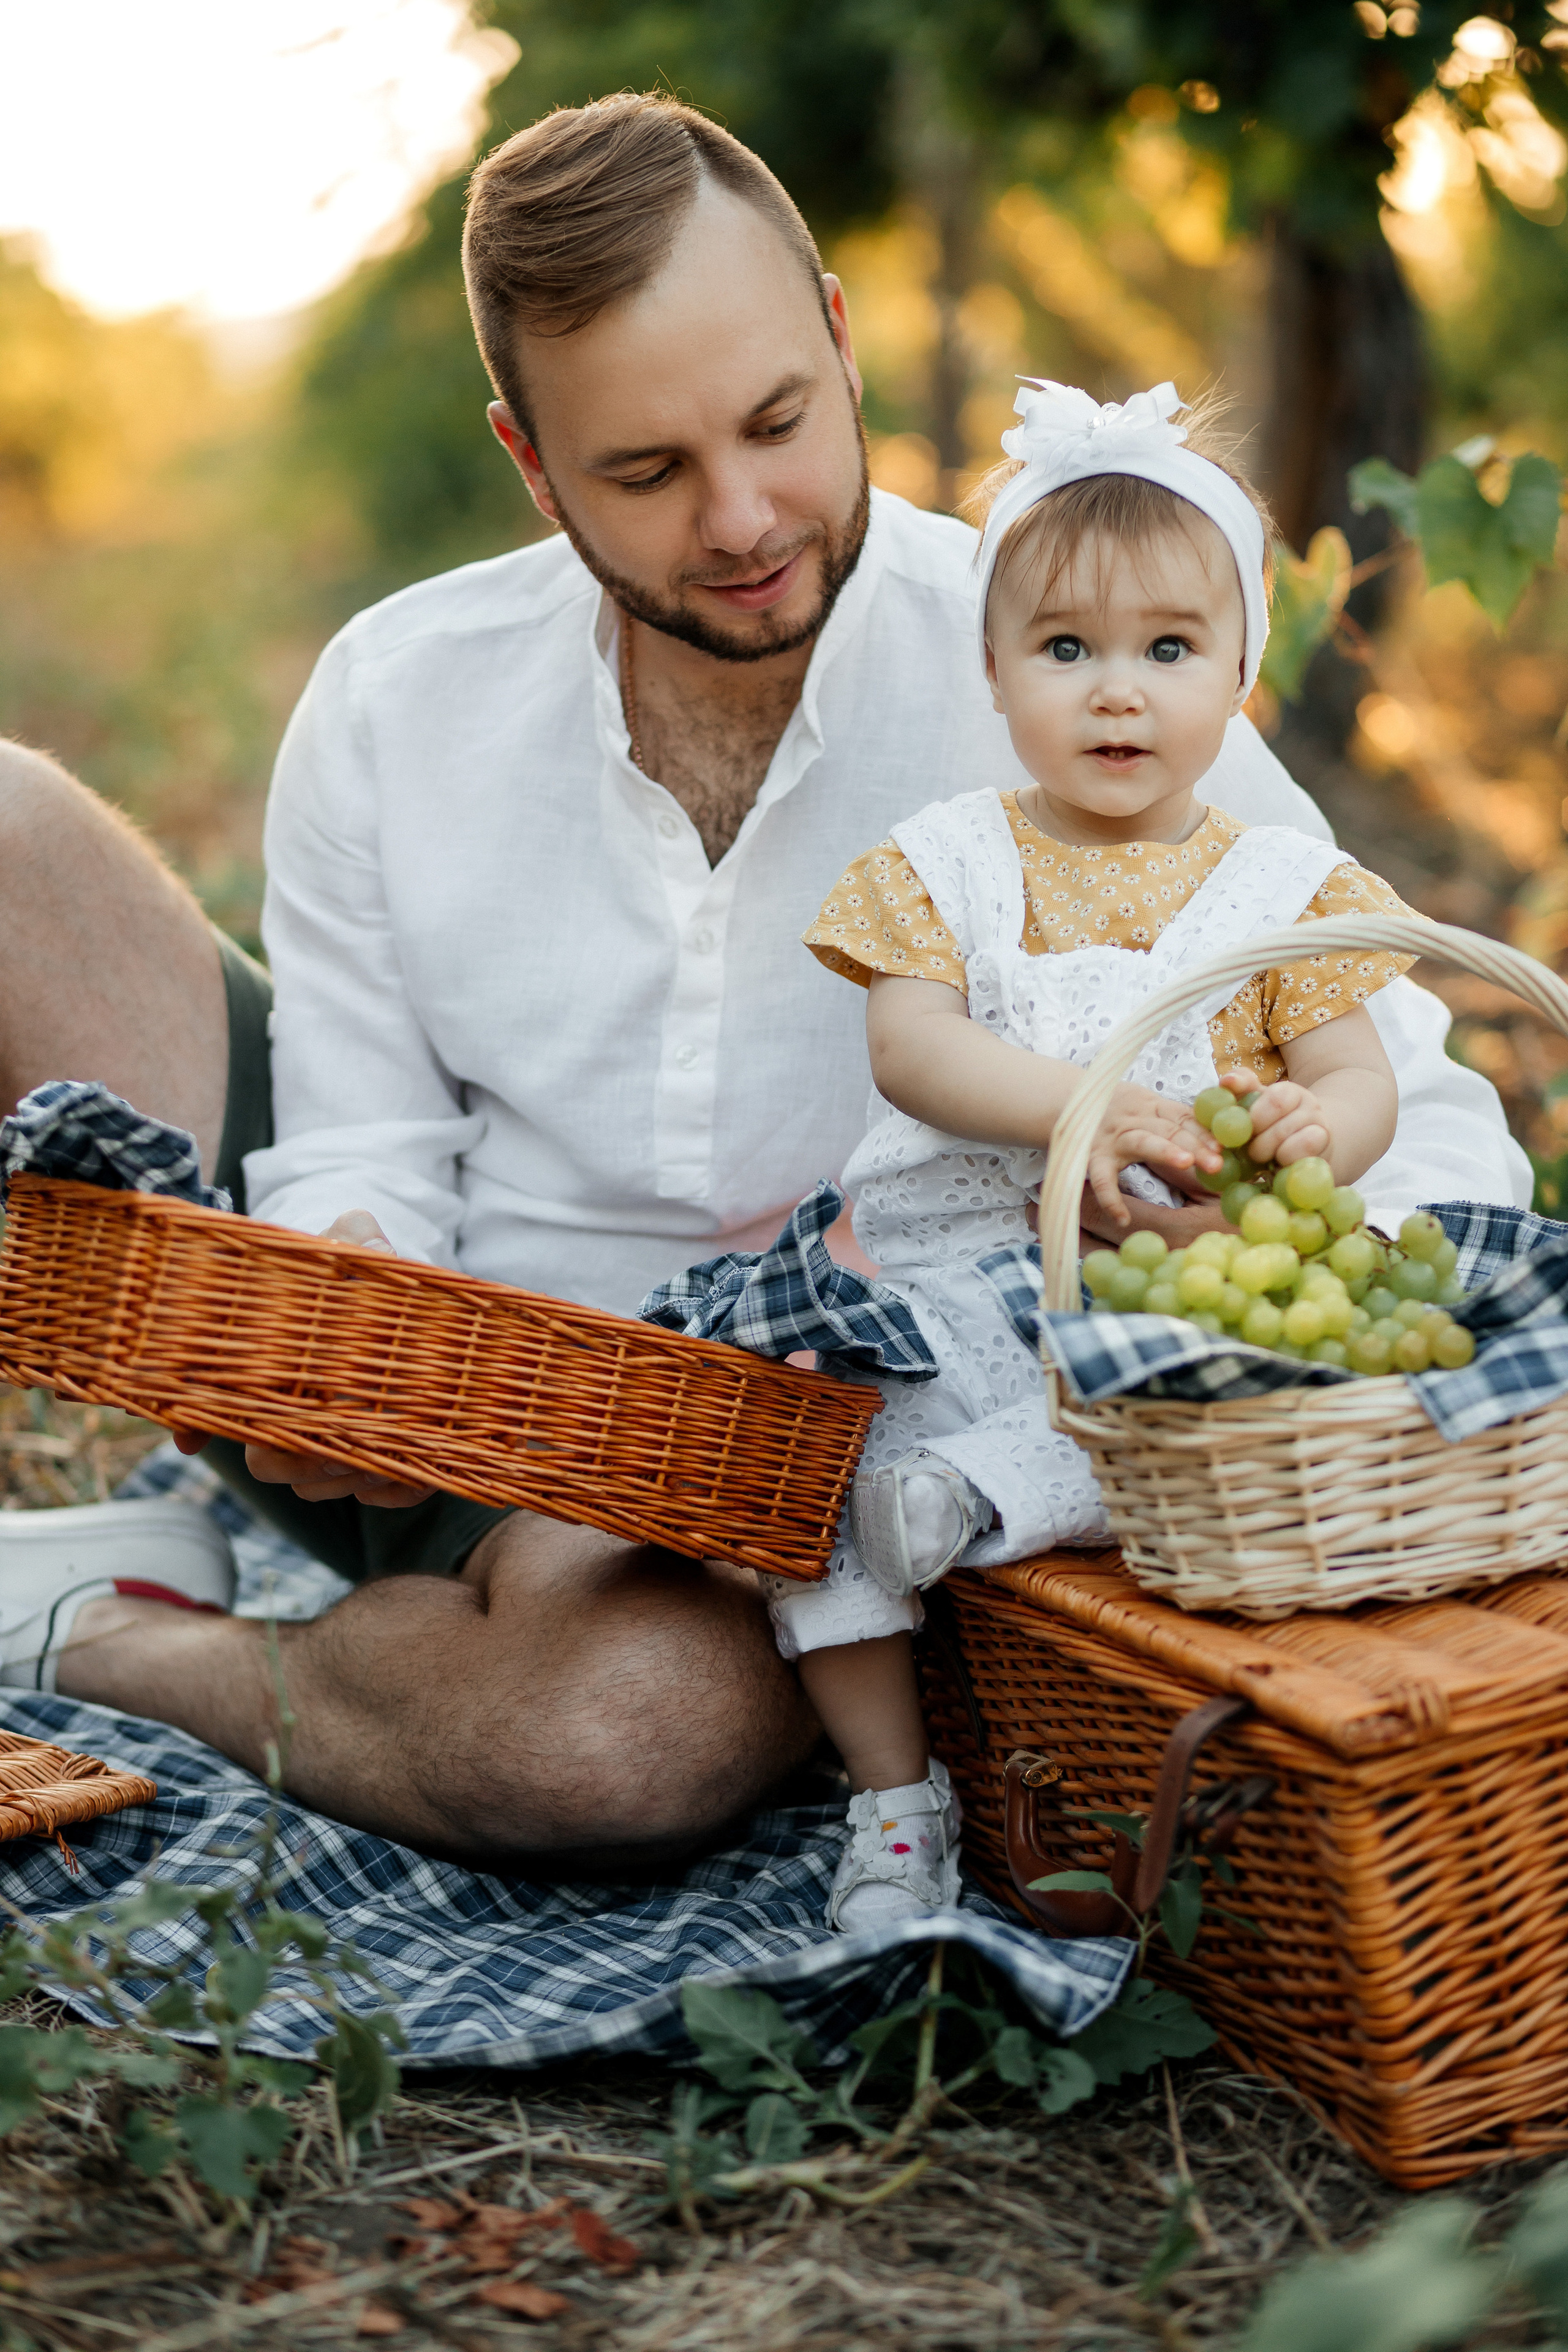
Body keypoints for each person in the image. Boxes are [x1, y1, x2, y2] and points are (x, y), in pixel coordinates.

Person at [0, 96, 1530, 1868]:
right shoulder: (397, 691)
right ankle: (328, 1562)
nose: (741, 519)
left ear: (841, 342)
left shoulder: (1063, 686)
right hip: (444, 1384)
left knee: (618, 1742)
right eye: (644, 473)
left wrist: (1246, 1192)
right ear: (528, 458)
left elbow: (1428, 1129)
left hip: (771, 1484)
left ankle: (121, 1636)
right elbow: (361, 1138)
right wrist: (350, 1287)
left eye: (777, 425)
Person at [758, 378, 1411, 1929]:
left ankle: (995, 1497)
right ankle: (893, 1806)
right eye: (1066, 652)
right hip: (961, 1280)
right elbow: (911, 1048)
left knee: (1215, 1417)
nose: (1117, 696)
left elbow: (1354, 1078)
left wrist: (1326, 1126)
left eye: (1167, 652)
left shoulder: (1282, 890)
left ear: (1240, 671)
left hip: (1164, 1289)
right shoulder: (943, 865)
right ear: (993, 671)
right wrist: (1077, 1104)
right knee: (822, 1474)